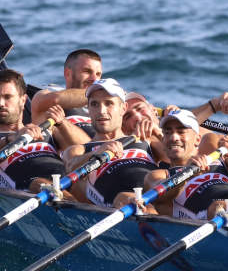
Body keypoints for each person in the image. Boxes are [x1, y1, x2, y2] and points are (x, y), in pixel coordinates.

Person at [0, 69, 67, 193]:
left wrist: (63, 123)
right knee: (39, 184)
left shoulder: (45, 130)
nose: (1, 103)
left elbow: (85, 146)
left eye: (7, 97)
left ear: (23, 100)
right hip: (34, 190)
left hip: (66, 182)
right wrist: (11, 139)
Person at [62, 78, 161, 208]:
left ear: (123, 108)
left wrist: (159, 133)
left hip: (157, 198)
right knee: (128, 199)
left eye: (109, 103)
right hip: (122, 205)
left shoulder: (143, 139)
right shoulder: (80, 150)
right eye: (94, 104)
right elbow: (71, 167)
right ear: (89, 109)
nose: (101, 111)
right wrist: (98, 152)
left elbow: (178, 159)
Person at [141, 109, 228, 220]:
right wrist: (187, 173)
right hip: (208, 217)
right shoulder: (159, 175)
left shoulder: (223, 161)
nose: (173, 137)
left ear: (197, 139)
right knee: (217, 206)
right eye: (167, 132)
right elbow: (159, 196)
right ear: (163, 140)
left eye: (181, 132)